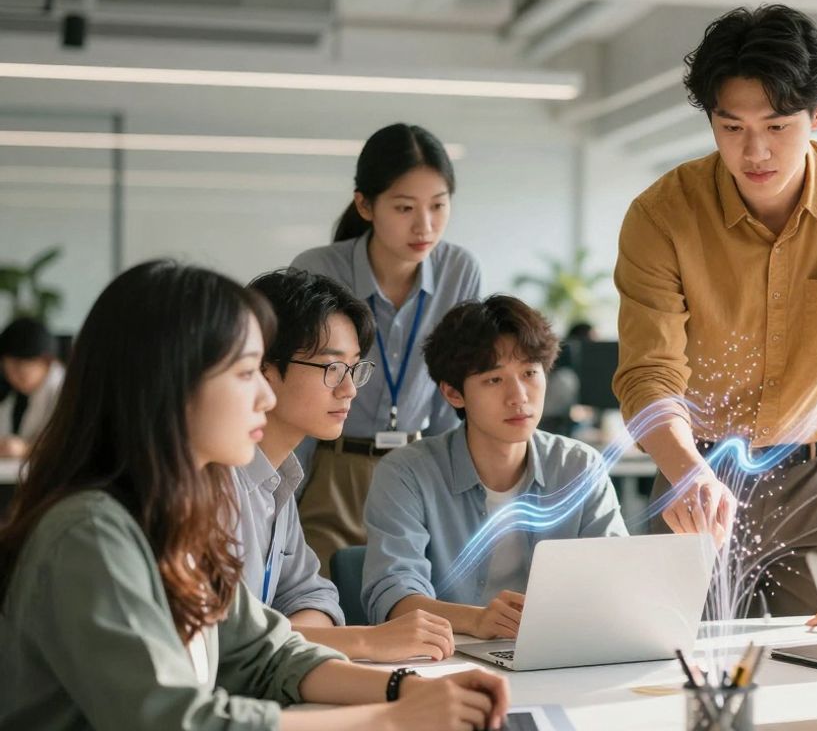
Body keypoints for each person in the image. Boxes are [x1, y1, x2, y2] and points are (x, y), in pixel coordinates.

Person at [0, 260, 509, 731]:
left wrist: (405, 689)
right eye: (246, 374)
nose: (264, 396)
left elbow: (264, 653)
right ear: (171, 383)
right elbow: (174, 720)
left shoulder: (178, 512)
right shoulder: (91, 533)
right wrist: (389, 718)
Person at [612, 4, 817, 618]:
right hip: (695, 470)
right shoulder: (661, 215)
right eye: (731, 128)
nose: (755, 151)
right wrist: (685, 471)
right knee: (676, 672)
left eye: (778, 126)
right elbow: (648, 375)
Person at [363, 295, 627, 637]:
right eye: (494, 380)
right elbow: (394, 595)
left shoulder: (579, 466)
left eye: (530, 373)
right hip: (449, 660)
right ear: (453, 394)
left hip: (559, 651)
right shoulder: (407, 473)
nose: (519, 396)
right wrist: (475, 620)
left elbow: (617, 576)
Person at [238, 268, 457, 661]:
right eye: (332, 367)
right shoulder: (214, 484)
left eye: (354, 367)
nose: (350, 389)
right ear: (264, 366)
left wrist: (296, 640)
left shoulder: (278, 477)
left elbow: (311, 593)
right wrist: (364, 641)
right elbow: (228, 642)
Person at [291, 123, 481, 575]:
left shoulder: (458, 270)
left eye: (438, 206)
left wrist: (450, 491)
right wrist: (275, 494)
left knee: (412, 608)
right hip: (332, 467)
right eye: (404, 207)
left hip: (417, 470)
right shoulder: (318, 270)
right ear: (365, 204)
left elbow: (451, 390)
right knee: (319, 598)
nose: (425, 226)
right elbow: (295, 390)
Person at [0, 317, 65, 458]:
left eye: (19, 370)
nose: (13, 377)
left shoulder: (65, 391)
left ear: (46, 362)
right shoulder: (12, 392)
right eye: (7, 370)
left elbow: (67, 447)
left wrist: (26, 450)